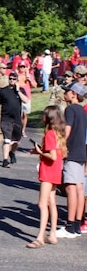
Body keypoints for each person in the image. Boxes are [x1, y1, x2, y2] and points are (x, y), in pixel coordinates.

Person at [26, 106, 66, 248]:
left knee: (42, 204)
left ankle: (40, 237)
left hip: (48, 171)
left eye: (44, 115)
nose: (42, 117)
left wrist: (40, 152)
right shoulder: (58, 133)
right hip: (55, 171)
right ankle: (52, 234)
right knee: (52, 202)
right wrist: (39, 152)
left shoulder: (49, 133)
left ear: (49, 117)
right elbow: (57, 153)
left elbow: (52, 156)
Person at [56, 81, 87, 238]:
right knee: (80, 188)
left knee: (71, 188)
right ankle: (77, 224)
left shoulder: (70, 109)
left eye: (68, 91)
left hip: (72, 152)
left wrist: (59, 146)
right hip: (82, 153)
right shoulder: (82, 110)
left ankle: (69, 225)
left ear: (74, 94)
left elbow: (66, 131)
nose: (65, 93)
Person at [0, 71, 28, 168]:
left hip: (17, 119)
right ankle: (5, 160)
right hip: (6, 119)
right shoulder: (3, 91)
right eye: (10, 78)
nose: (12, 80)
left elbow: (26, 100)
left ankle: (12, 152)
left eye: (14, 79)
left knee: (16, 141)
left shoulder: (20, 90)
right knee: (7, 140)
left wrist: (18, 91)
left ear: (17, 80)